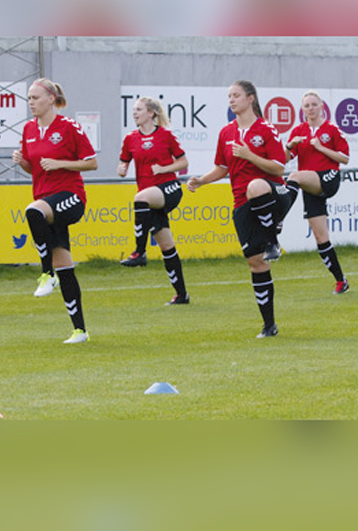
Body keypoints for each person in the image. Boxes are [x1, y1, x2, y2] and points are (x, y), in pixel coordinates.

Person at [188, 80, 291, 338]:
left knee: (255, 186)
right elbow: (222, 168)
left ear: (251, 98)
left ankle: (272, 240)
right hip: (242, 203)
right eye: (229, 96)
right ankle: (269, 325)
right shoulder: (226, 132)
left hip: (271, 192)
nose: (231, 100)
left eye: (236, 95)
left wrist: (250, 156)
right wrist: (201, 180)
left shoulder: (266, 129)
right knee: (255, 264)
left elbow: (279, 168)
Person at [12, 78, 98, 344]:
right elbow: (36, 169)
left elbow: (92, 163)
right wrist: (24, 163)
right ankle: (80, 330)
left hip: (71, 197)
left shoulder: (69, 127)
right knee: (65, 265)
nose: (31, 103)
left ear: (51, 98)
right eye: (29, 98)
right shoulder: (28, 129)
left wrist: (60, 162)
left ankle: (45, 273)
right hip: (45, 198)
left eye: (35, 97)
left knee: (33, 212)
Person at [117, 96, 191, 305]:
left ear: (151, 113)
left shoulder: (165, 136)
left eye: (139, 109)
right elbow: (122, 163)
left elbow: (183, 162)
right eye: (133, 110)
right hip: (150, 196)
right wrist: (121, 169)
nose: (134, 113)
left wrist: (164, 169)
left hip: (169, 188)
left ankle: (139, 252)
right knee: (167, 246)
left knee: (140, 199)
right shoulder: (130, 139)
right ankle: (182, 294)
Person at [284, 90, 351, 294]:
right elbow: (283, 159)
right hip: (310, 183)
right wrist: (289, 145)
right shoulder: (298, 130)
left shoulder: (331, 129)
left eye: (314, 105)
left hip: (328, 177)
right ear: (302, 109)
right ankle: (341, 280)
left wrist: (321, 148)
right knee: (321, 238)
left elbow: (344, 158)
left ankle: (278, 218)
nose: (310, 109)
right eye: (307, 106)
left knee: (295, 176)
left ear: (322, 107)